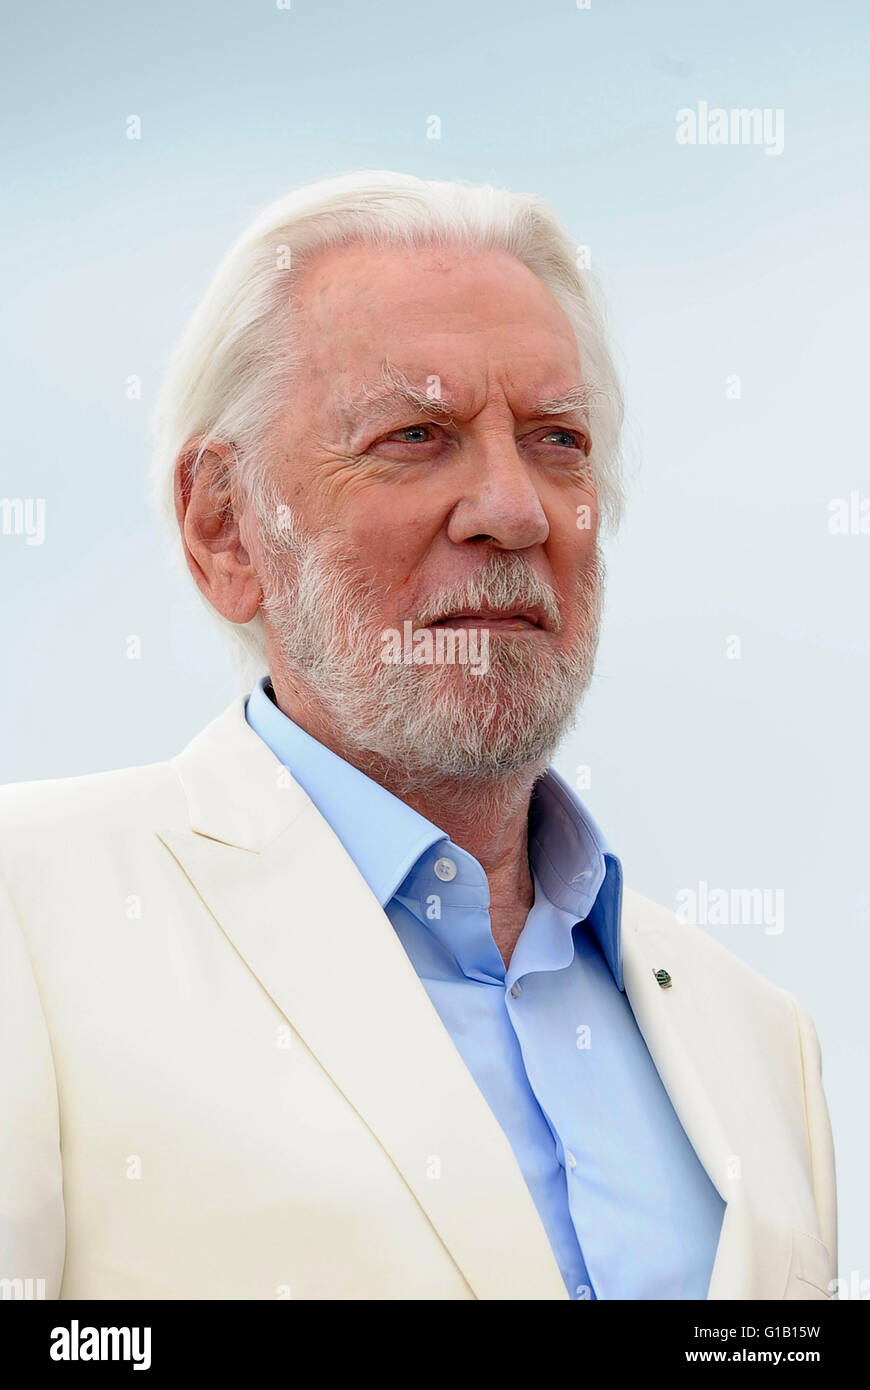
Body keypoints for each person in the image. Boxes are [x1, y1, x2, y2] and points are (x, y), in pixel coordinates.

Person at [0, 171, 836, 1301]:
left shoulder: (757, 1040)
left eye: (557, 438)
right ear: (225, 526)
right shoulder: (35, 916)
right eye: (414, 435)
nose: (514, 507)